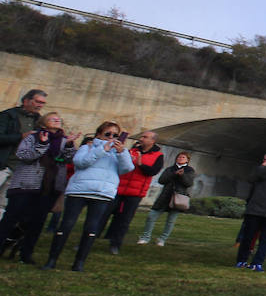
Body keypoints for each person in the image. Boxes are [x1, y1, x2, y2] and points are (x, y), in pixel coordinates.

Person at [42, 121, 134, 272]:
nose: (111, 137)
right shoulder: (88, 147)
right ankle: (52, 259)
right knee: (67, 224)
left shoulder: (119, 152)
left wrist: (122, 153)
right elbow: (80, 163)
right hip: (80, 190)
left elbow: (126, 169)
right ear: (99, 134)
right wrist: (101, 150)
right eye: (108, 134)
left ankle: (79, 262)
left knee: (91, 228)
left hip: (102, 193)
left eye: (115, 135)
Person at [0, 112, 79, 263]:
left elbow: (69, 159)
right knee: (11, 218)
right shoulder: (33, 137)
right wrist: (42, 145)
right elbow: (23, 155)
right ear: (43, 123)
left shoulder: (64, 140)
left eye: (58, 118)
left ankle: (26, 254)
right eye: (52, 118)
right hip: (26, 184)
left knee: (37, 222)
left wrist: (69, 145)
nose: (57, 120)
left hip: (49, 187)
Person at [104, 130, 164, 254]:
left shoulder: (158, 156)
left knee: (125, 219)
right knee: (103, 214)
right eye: (142, 136)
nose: (141, 138)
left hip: (135, 192)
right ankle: (91, 238)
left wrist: (141, 165)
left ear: (152, 141)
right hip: (118, 188)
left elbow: (153, 171)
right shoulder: (132, 150)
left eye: (145, 137)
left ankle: (115, 244)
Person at [0, 88, 48, 209]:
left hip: (19, 168)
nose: (39, 105)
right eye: (37, 101)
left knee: (3, 204)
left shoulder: (39, 121)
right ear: (26, 101)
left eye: (42, 103)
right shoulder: (8, 115)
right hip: (3, 164)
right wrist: (21, 136)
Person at [138, 152, 196, 246]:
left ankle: (162, 239)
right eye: (179, 157)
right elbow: (161, 180)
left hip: (178, 198)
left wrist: (182, 175)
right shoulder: (170, 169)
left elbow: (189, 183)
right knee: (151, 216)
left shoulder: (189, 170)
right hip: (165, 196)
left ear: (187, 160)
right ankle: (145, 237)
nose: (180, 158)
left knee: (171, 221)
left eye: (183, 157)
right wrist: (174, 174)